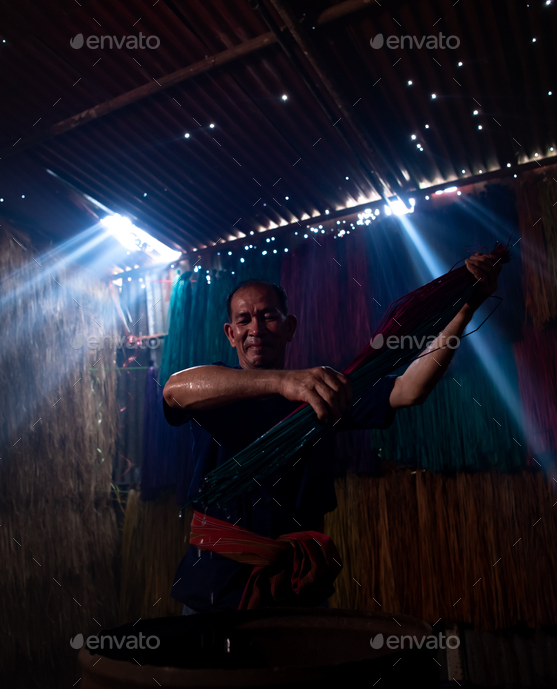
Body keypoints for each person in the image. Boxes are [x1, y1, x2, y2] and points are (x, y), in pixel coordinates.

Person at [163, 252, 501, 614]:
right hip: (216, 586)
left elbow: (408, 389)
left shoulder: (322, 390)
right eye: (244, 320)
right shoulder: (217, 388)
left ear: (290, 327)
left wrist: (464, 310)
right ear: (231, 334)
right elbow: (174, 390)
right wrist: (283, 382)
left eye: (268, 316)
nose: (256, 329)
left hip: (297, 583)